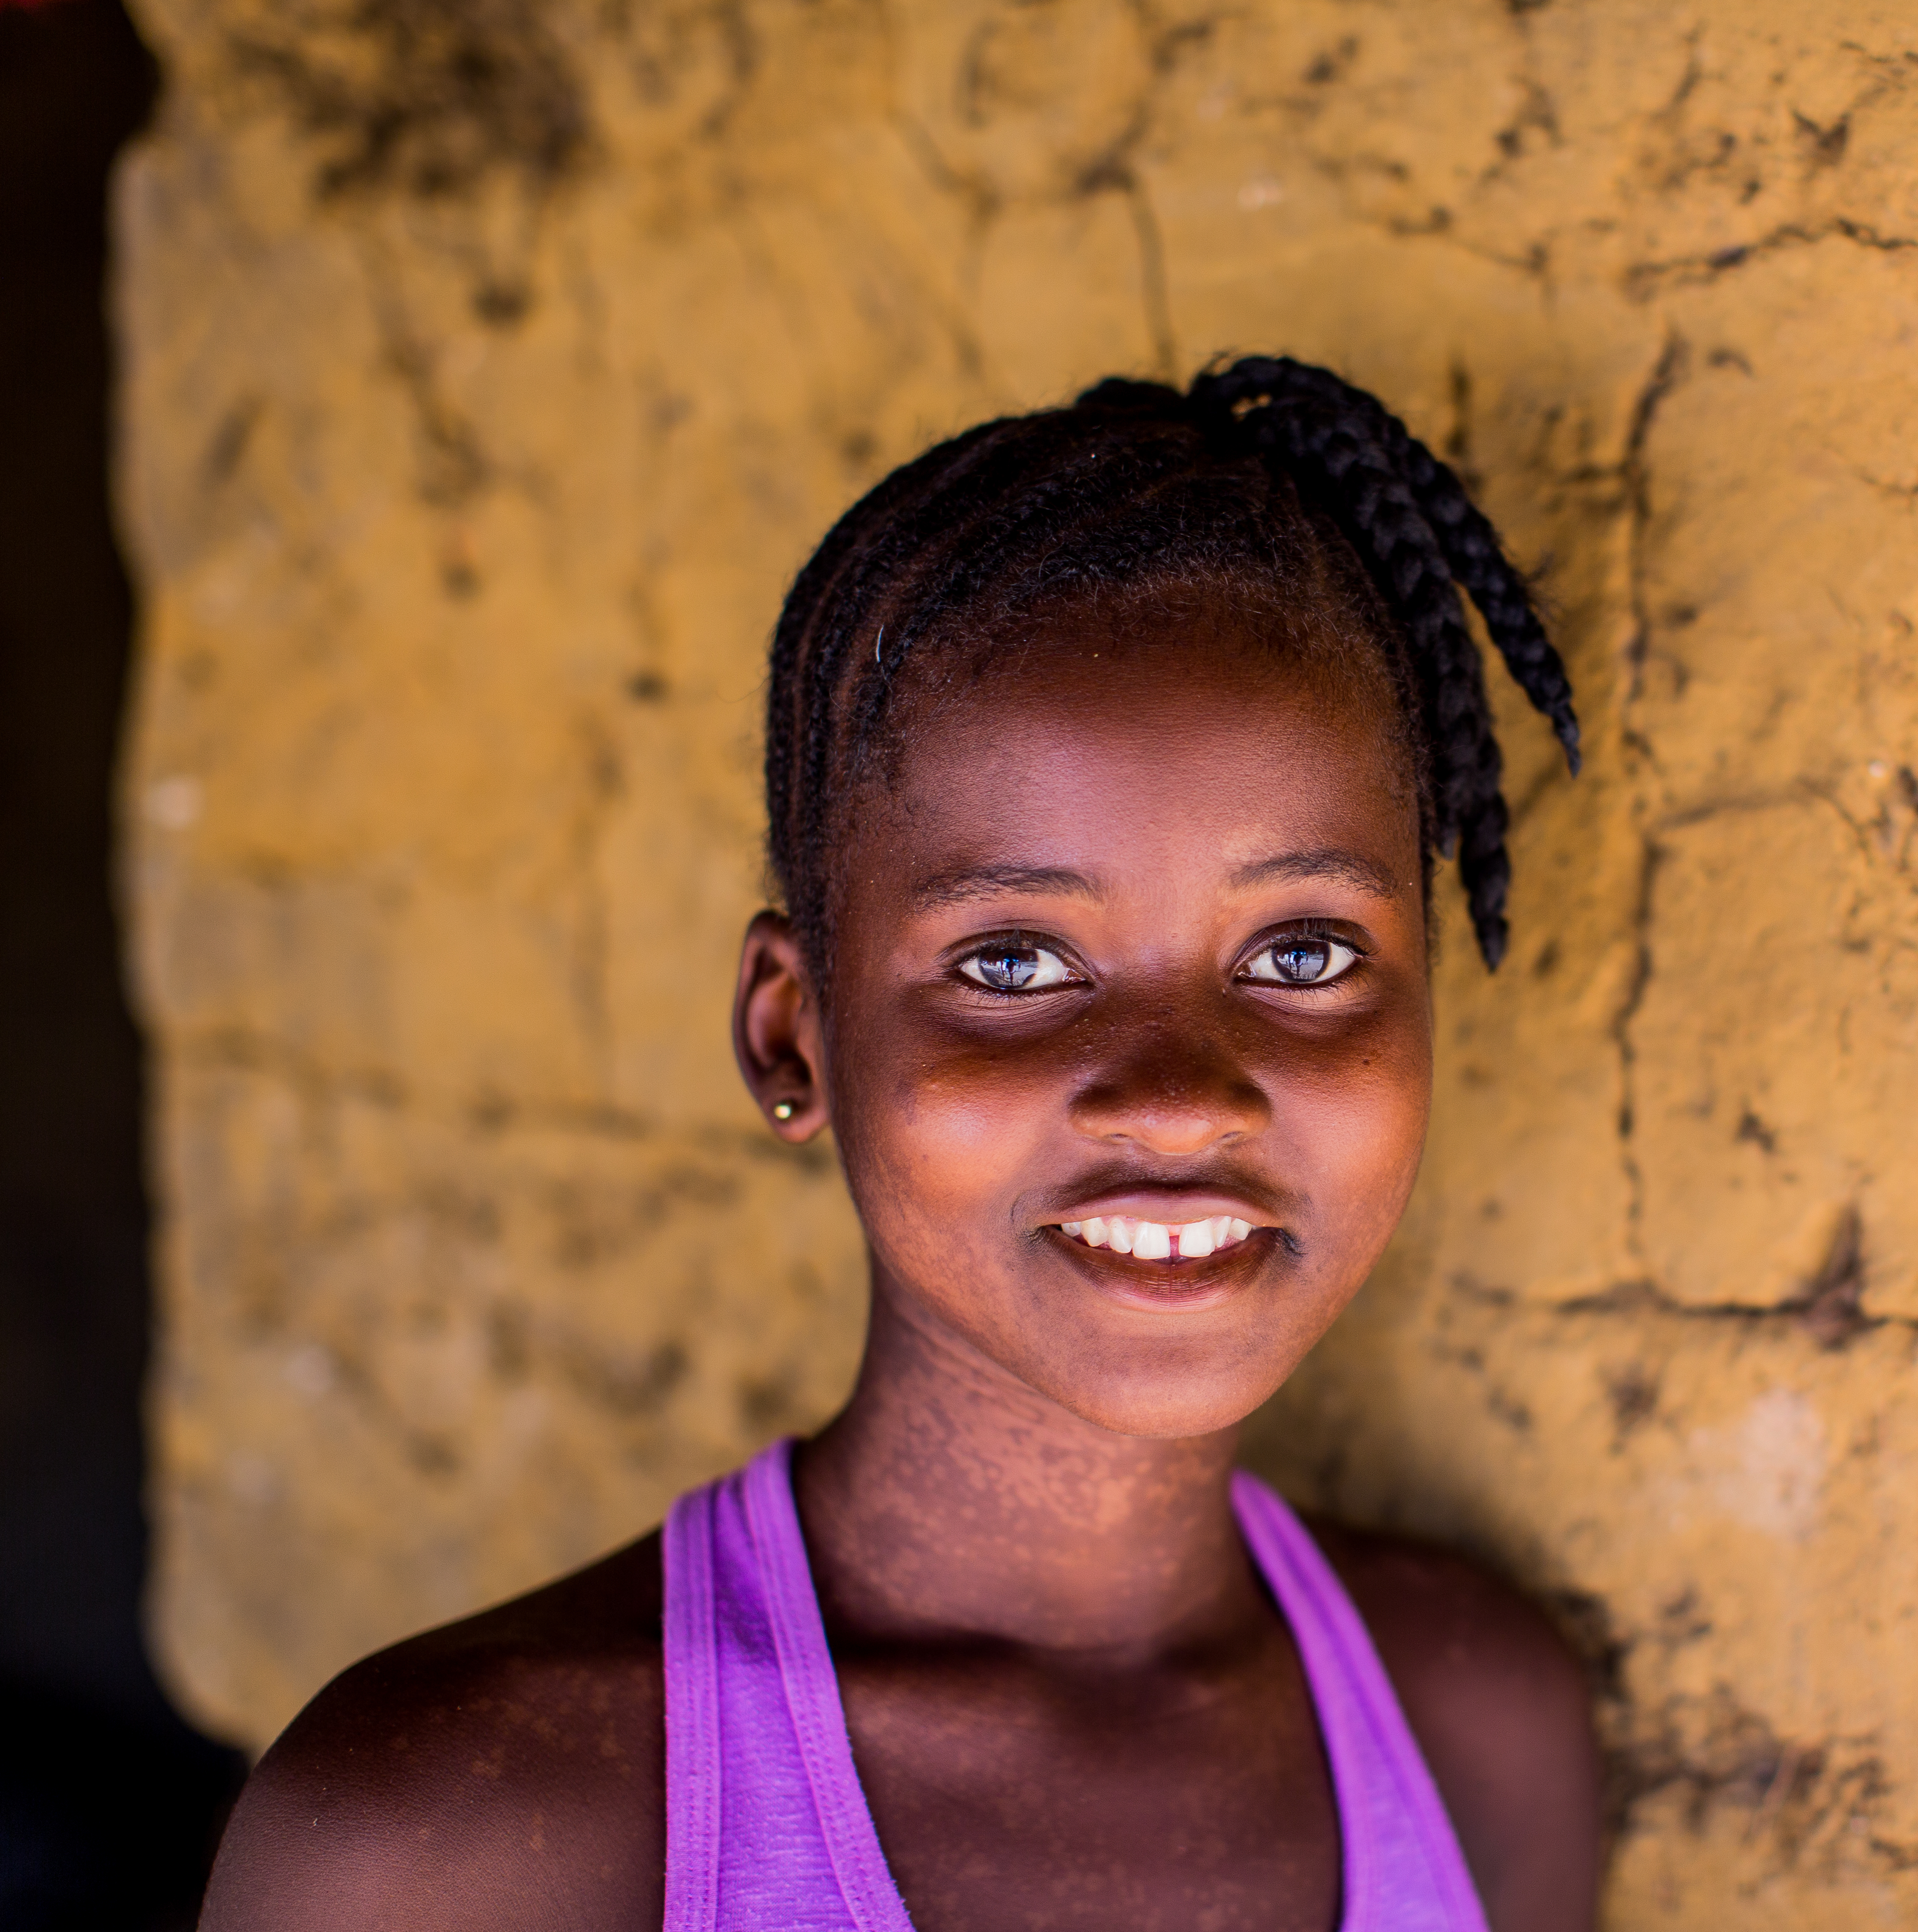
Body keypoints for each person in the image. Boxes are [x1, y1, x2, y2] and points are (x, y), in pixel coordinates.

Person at [200, 359, 1602, 1932]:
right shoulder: (453, 1837)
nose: (1180, 1097)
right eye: (1013, 964)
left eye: (1301, 954)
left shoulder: (1477, 1734)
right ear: (792, 1034)